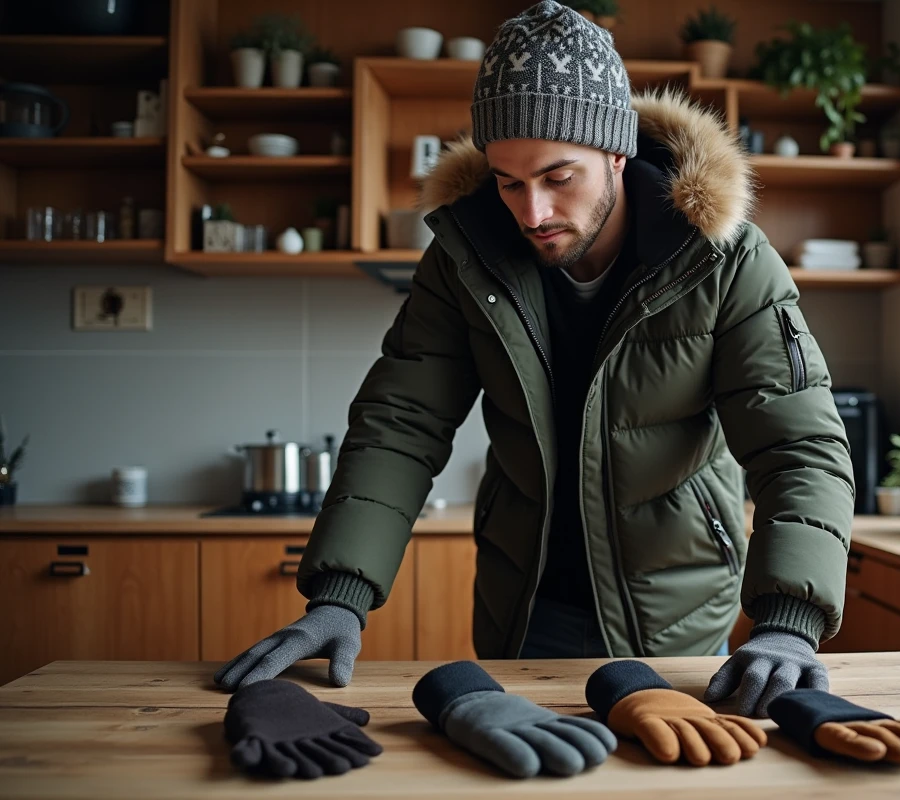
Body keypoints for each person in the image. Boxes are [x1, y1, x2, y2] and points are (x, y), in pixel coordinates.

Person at [215, 0, 855, 719]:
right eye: (508, 180)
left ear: (617, 154)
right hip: (521, 601)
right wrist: (339, 596)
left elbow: (799, 443)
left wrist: (788, 622)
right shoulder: (464, 257)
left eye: (558, 177)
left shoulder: (724, 260)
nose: (533, 212)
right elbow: (401, 422)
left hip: (676, 606)